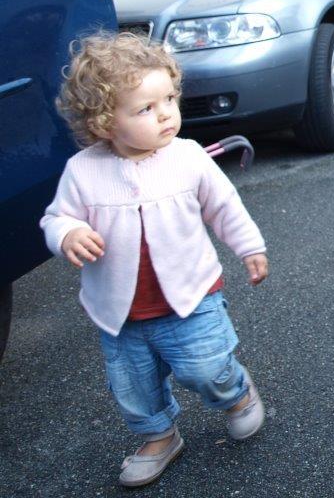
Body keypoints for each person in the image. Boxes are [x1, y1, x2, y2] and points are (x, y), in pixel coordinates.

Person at [40, 32, 270, 488]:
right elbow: (56, 217)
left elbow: (223, 206)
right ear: (106, 122)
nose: (166, 113)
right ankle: (159, 436)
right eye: (145, 108)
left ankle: (237, 394)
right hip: (121, 313)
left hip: (192, 296)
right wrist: (68, 233)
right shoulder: (83, 170)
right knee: (133, 387)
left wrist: (250, 247)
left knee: (207, 368)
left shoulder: (186, 158)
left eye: (169, 98)